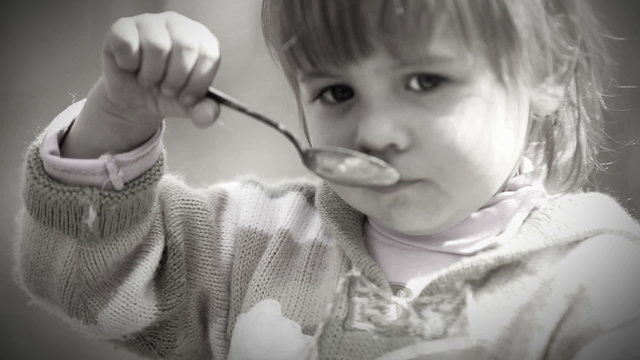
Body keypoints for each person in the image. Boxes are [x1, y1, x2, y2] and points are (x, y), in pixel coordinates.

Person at [15, 1, 640, 359]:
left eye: (425, 82)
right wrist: (118, 117)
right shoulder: (250, 244)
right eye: (337, 91)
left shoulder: (596, 281)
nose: (375, 131)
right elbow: (83, 281)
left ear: (543, 72)